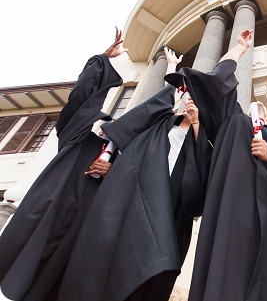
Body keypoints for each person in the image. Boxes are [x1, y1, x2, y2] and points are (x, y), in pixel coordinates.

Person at [58, 47, 212, 301]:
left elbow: (202, 175)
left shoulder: (204, 140)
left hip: (172, 216)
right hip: (135, 209)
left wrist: (196, 124)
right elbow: (135, 155)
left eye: (195, 95)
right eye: (187, 94)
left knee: (151, 282)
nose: (190, 99)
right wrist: (113, 171)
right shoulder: (161, 126)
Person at [165, 29, 267, 301]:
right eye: (251, 105)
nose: (256, 108)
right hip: (230, 205)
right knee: (224, 274)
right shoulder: (233, 122)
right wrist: (239, 48)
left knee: (261, 280)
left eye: (261, 110)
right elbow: (219, 81)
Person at [0, 28, 125, 300]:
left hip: (82, 232)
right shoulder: (78, 139)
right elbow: (80, 99)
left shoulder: (125, 160)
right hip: (50, 215)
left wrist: (112, 172)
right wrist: (102, 60)